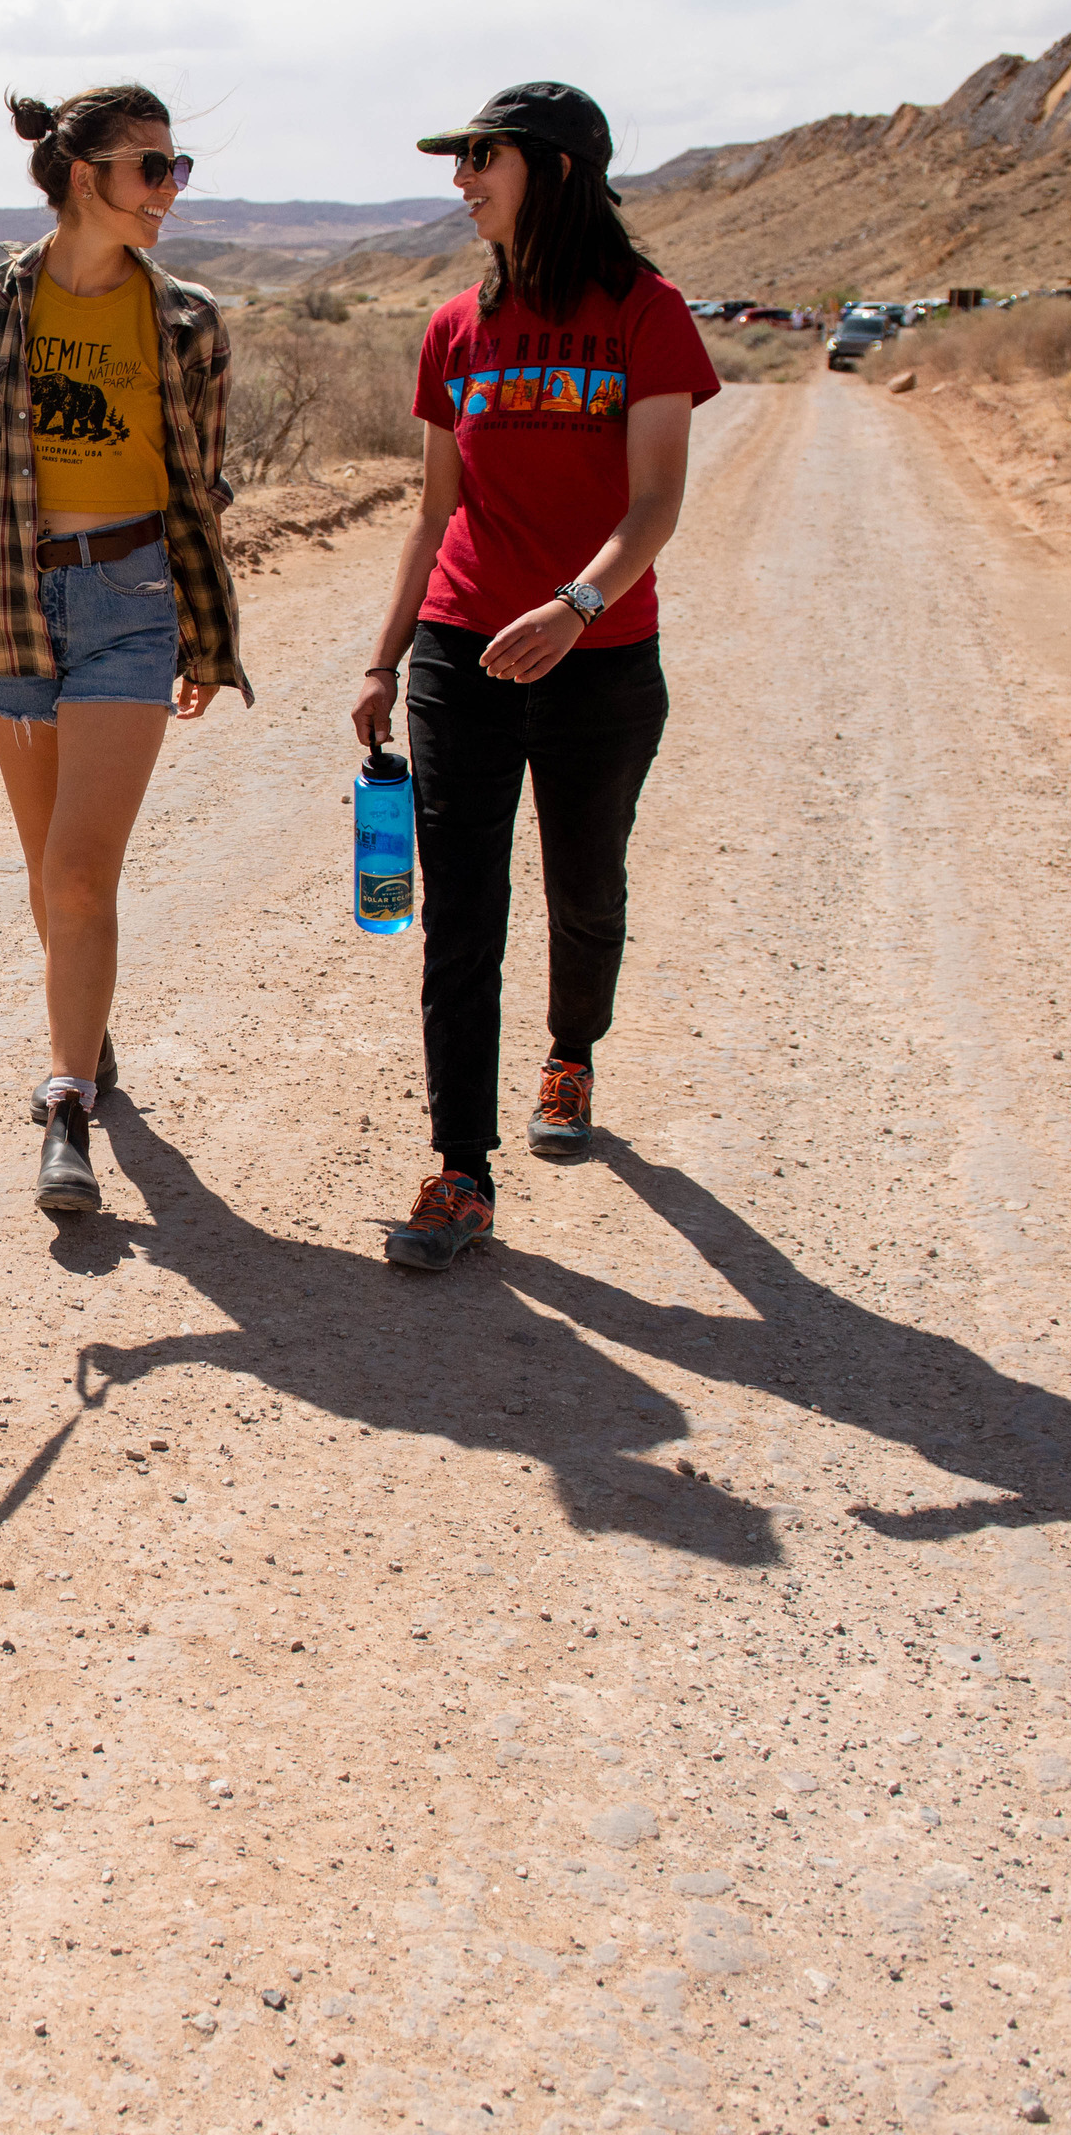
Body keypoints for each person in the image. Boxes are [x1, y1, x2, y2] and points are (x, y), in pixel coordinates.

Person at [0, 84, 252, 1215]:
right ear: (85, 177)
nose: (169, 191)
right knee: (49, 883)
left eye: (178, 169)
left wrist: (202, 627)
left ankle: (65, 1103)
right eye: (151, 169)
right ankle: (87, 1026)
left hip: (133, 598)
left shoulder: (188, 321)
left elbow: (199, 490)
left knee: (82, 872)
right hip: (17, 603)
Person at [349, 82, 716, 1270]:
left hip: (599, 653)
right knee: (458, 907)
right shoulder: (456, 328)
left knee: (583, 884)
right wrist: (383, 654)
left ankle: (571, 1048)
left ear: (550, 169)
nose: (459, 181)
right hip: (464, 647)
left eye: (479, 159)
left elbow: (654, 500)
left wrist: (573, 605)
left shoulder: (643, 313)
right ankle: (460, 1167)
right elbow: (430, 514)